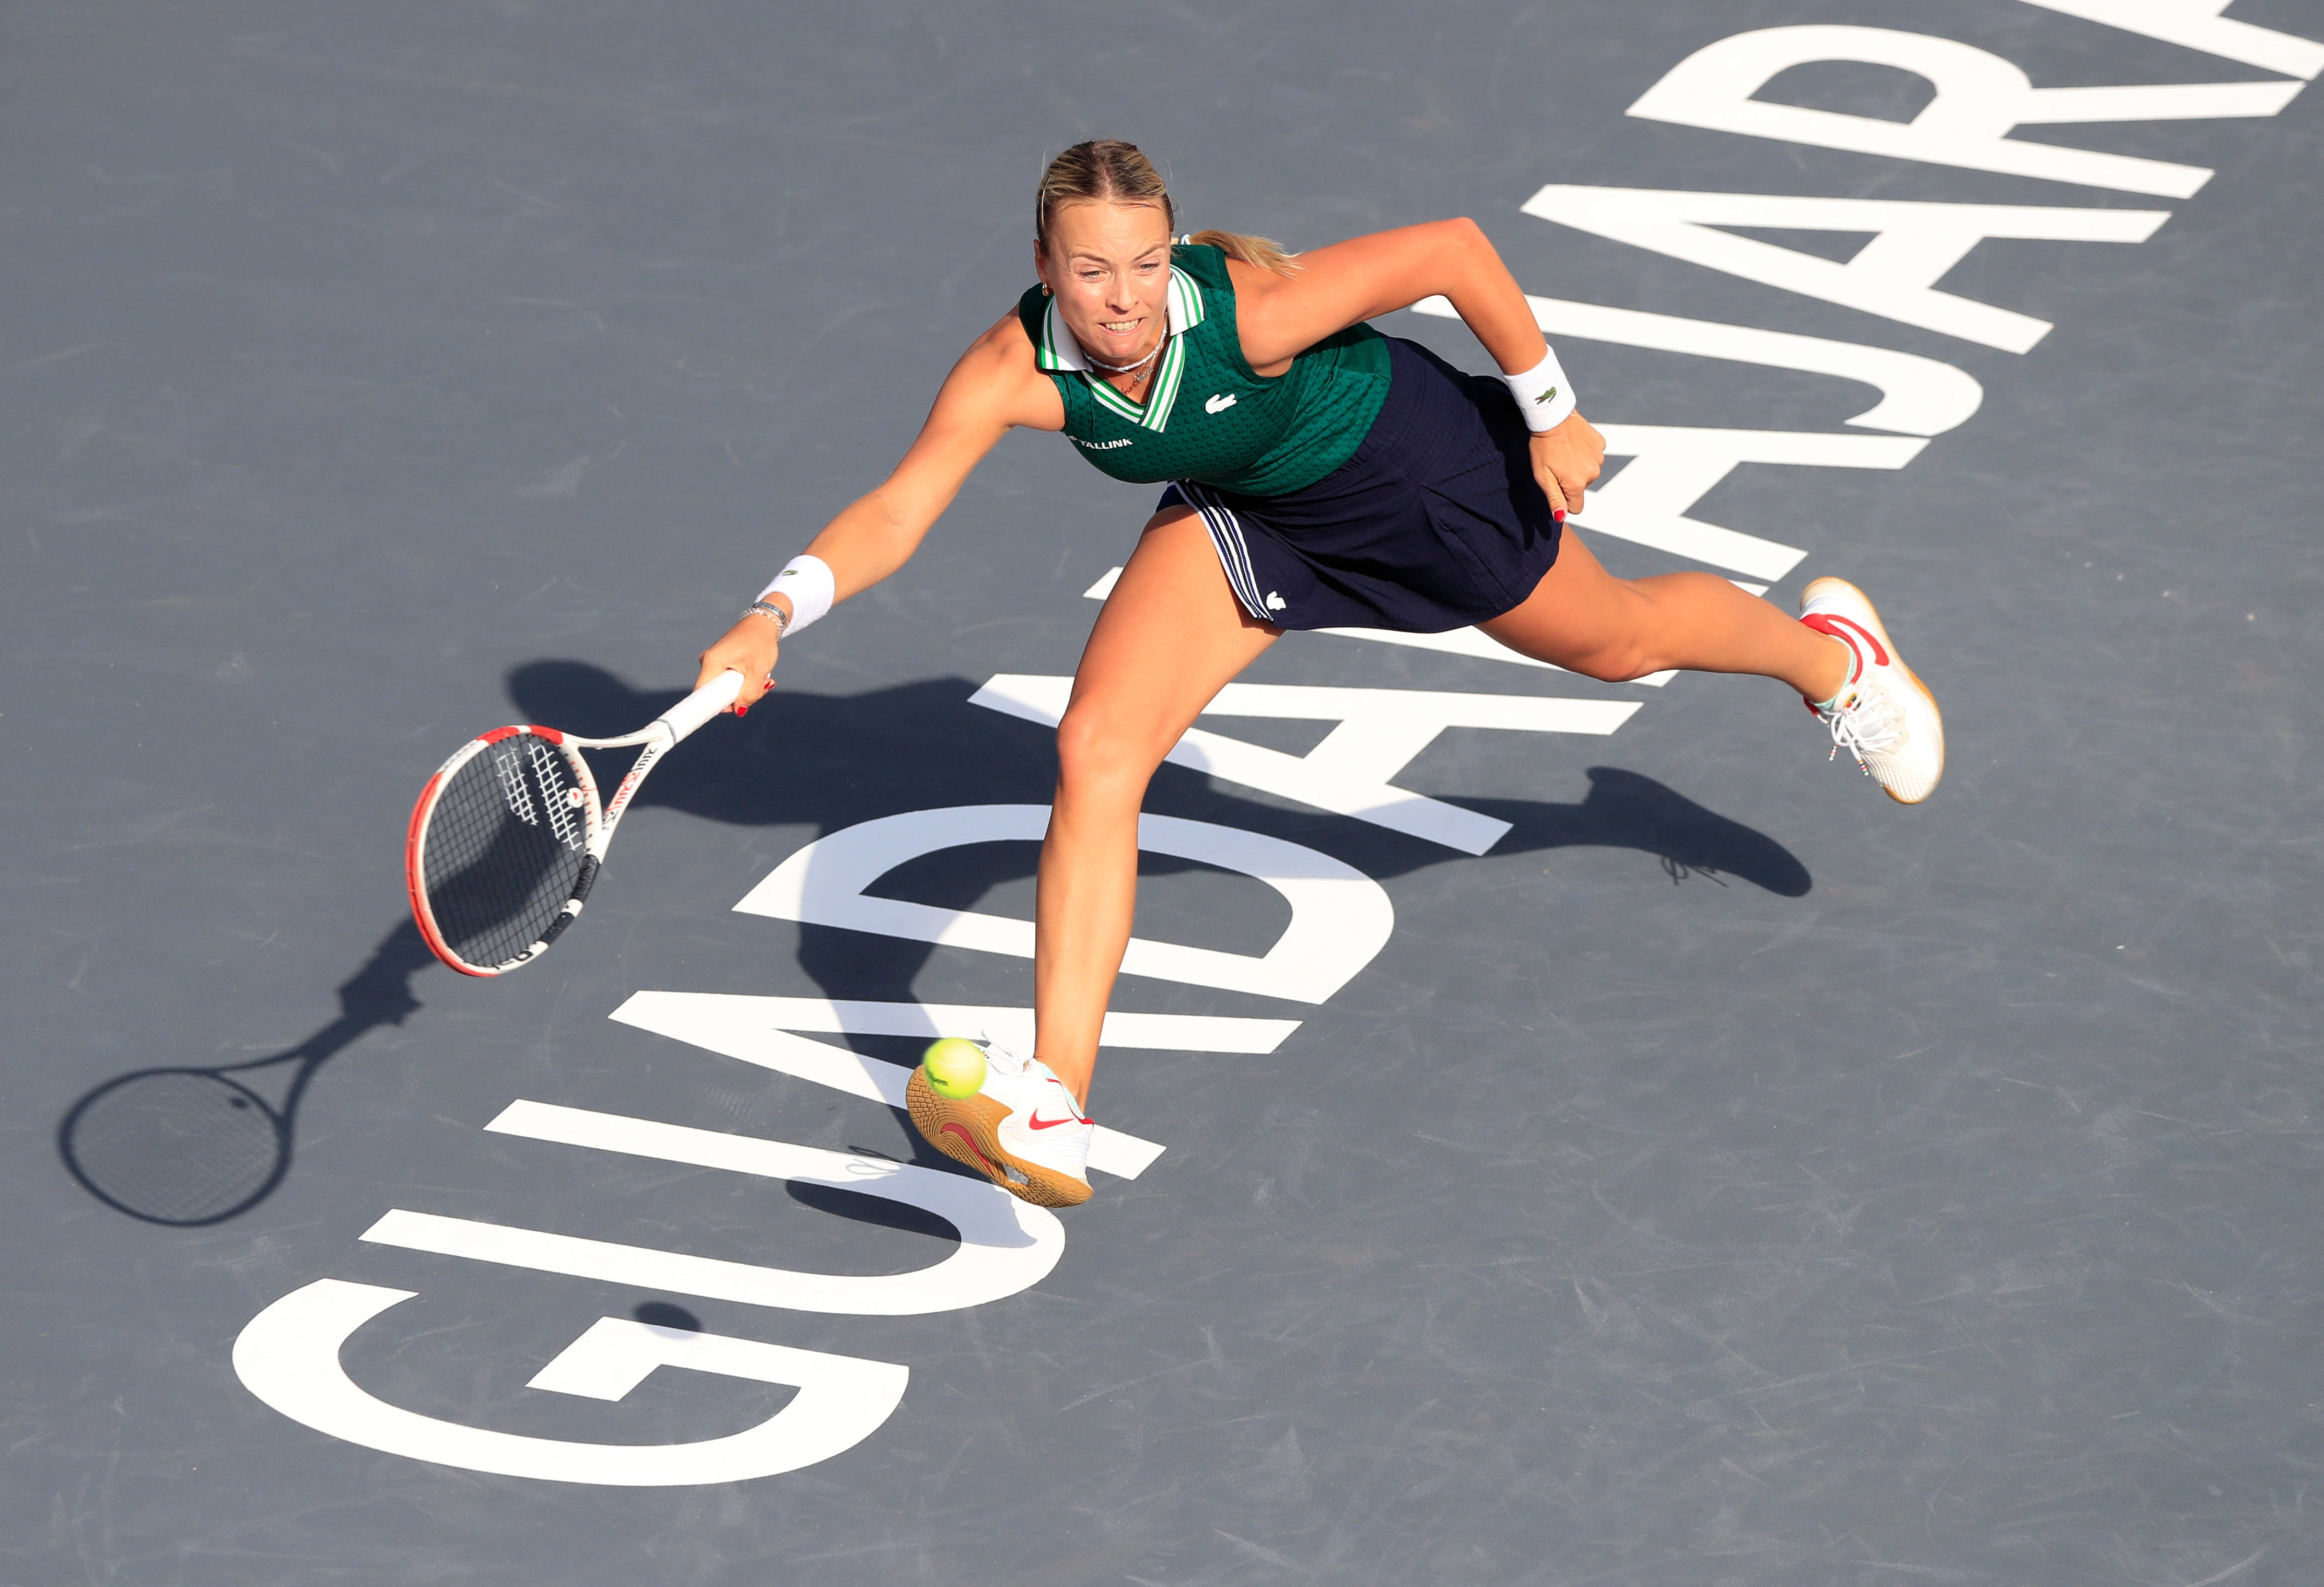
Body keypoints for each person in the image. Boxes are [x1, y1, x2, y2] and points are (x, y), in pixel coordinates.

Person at [692, 139, 1941, 1209]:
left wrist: (1550, 410)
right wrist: (770, 614)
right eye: (1089, 270)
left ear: (1170, 252)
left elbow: (1451, 250)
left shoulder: (1242, 311)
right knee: (1096, 752)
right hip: (1253, 515)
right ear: (1045, 271)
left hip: (1413, 472)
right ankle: (1055, 1099)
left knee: (1614, 643)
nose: (1120, 300)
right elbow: (899, 512)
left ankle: (1833, 661)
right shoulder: (1011, 370)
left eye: (1141, 264)